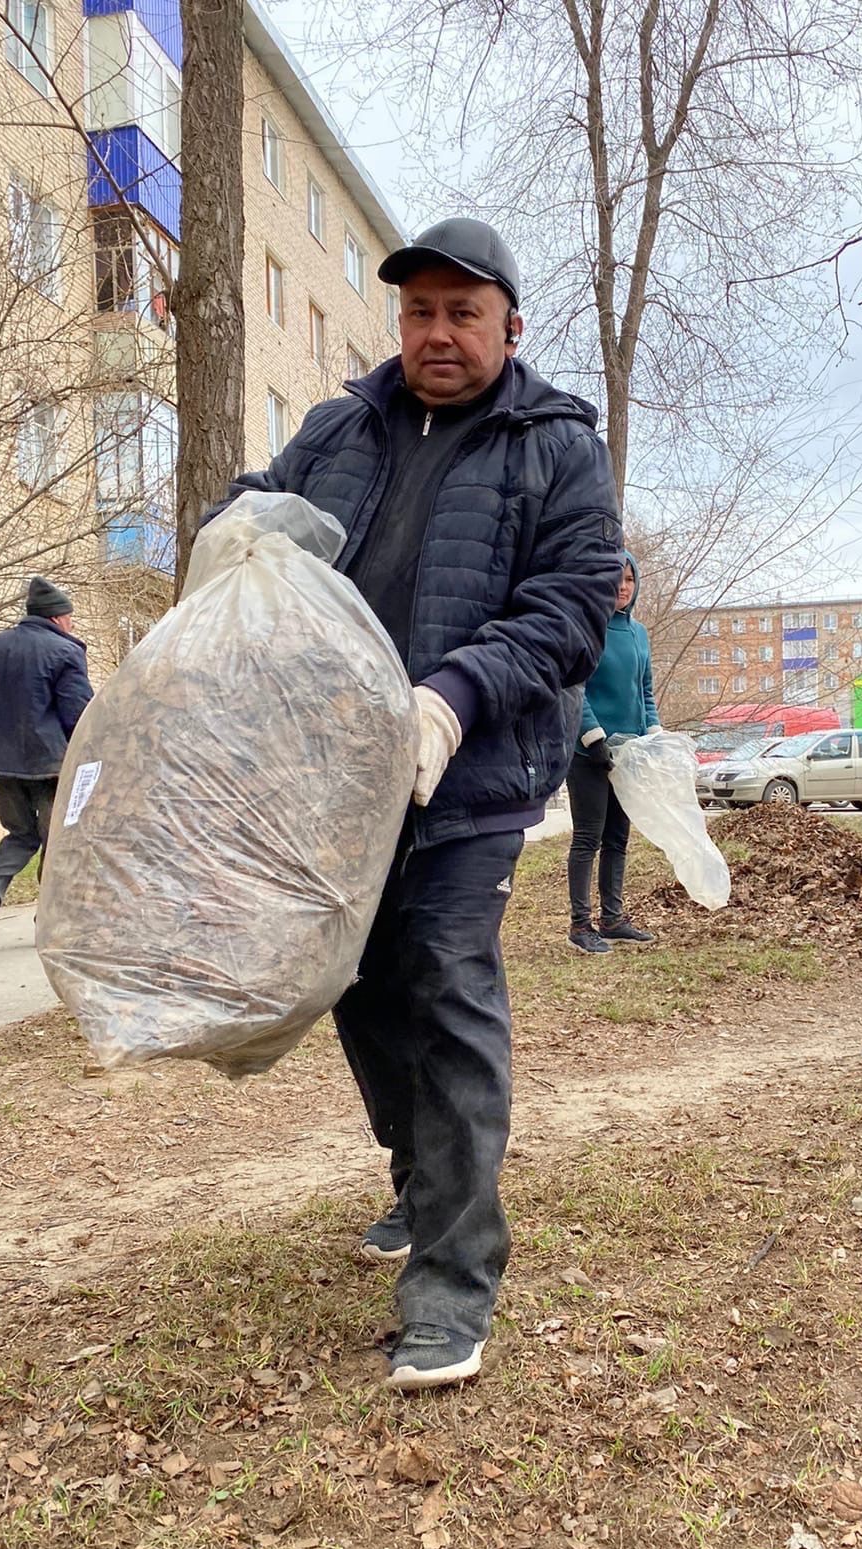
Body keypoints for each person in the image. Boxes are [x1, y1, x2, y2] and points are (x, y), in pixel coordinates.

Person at [209, 217, 622, 1389]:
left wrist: (451, 696)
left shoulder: (555, 446)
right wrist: (237, 531)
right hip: (335, 778)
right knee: (359, 987)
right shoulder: (340, 424)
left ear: (509, 325)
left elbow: (574, 601)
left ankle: (450, 1283)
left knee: (442, 985)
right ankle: (419, 1180)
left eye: (463, 313)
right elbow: (262, 509)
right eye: (419, 312)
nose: (437, 334)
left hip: (471, 770)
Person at [0, 577, 92, 947]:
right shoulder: (64, 652)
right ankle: (50, 917)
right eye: (70, 619)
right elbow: (78, 713)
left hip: (0, 764)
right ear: (57, 618)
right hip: (49, 764)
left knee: (21, 833)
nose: (72, 626)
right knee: (60, 837)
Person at [567, 551, 661, 953]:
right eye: (615, 579)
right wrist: (594, 736)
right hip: (590, 753)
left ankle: (612, 919)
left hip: (629, 752)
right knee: (589, 837)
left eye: (629, 580)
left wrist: (653, 733)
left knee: (618, 838)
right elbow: (575, 687)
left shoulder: (638, 633)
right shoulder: (589, 627)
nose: (623, 587)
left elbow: (645, 691)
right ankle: (579, 925)